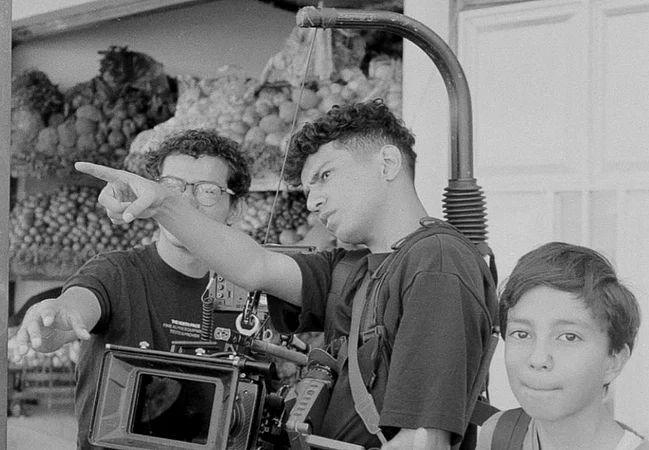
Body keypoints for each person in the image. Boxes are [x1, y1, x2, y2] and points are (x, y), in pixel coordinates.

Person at [76, 98, 497, 449]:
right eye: (307, 188)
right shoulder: (350, 267)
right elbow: (253, 265)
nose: (313, 201)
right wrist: (163, 204)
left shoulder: (435, 263)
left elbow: (425, 442)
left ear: (387, 162)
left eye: (325, 176)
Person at [11, 129, 253, 450]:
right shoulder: (117, 273)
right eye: (172, 188)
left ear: (235, 207)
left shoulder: (247, 291)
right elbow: (77, 307)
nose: (186, 202)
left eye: (207, 191)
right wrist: (58, 318)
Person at [476, 242, 646, 450]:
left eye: (569, 337)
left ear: (613, 361)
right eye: (522, 334)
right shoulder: (497, 434)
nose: (538, 360)